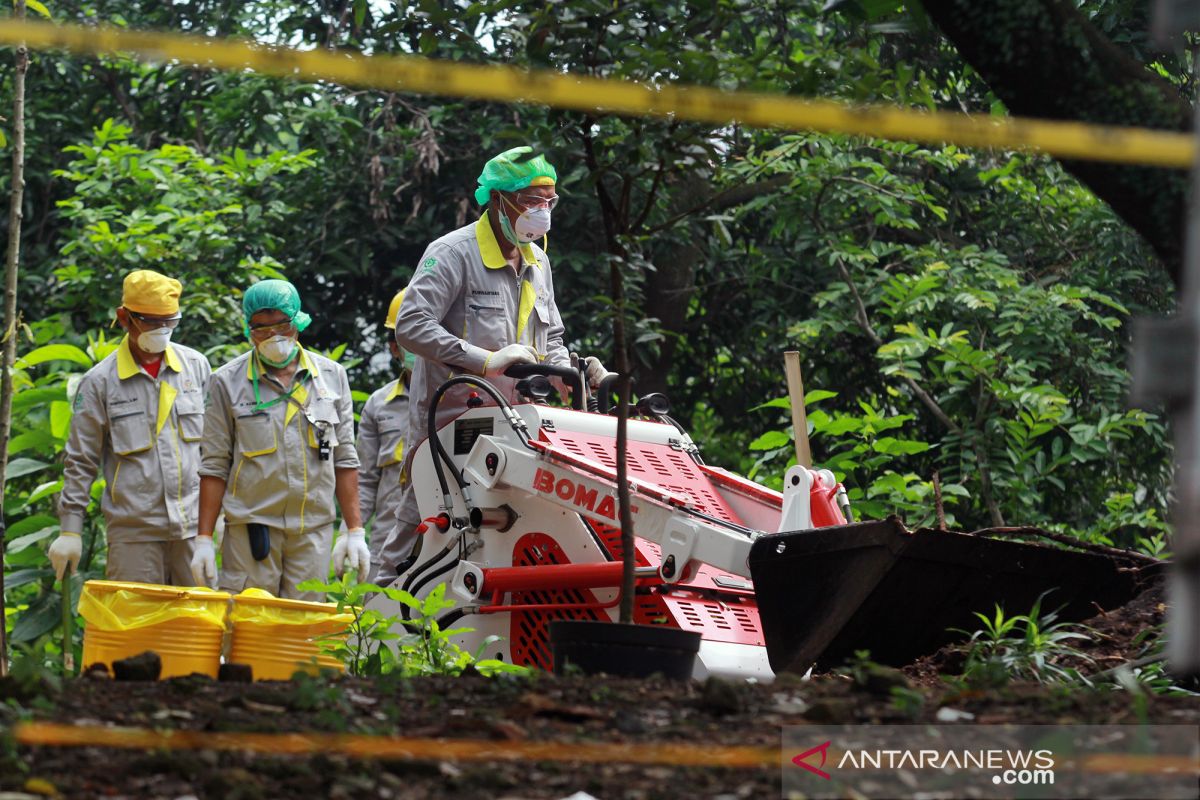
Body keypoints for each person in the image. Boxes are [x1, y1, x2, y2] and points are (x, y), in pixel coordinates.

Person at [388, 146, 606, 584]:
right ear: (498, 200)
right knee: (422, 537)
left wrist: (570, 373)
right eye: (531, 201)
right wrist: (484, 361)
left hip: (516, 431)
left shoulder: (537, 259)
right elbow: (410, 327)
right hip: (450, 429)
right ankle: (378, 630)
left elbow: (552, 338)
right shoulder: (453, 253)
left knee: (497, 541)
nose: (542, 212)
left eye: (549, 201)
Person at [190, 279, 367, 600]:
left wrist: (354, 530)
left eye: (281, 326)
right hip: (252, 531)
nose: (272, 336)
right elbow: (214, 464)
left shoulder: (331, 377)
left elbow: (344, 459)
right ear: (248, 329)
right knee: (249, 629)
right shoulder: (226, 382)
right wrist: (203, 539)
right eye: (261, 329)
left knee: (303, 635)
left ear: (297, 322)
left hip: (312, 532)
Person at [50, 269, 212, 586]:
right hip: (133, 534)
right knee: (137, 628)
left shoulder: (196, 367)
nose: (162, 330)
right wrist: (70, 529)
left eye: (170, 322)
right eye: (152, 322)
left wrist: (215, 523)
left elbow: (216, 450)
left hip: (192, 530)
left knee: (198, 630)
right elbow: (80, 459)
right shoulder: (100, 382)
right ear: (125, 318)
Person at [357, 289, 414, 583]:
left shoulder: (465, 400)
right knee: (380, 621)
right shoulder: (379, 405)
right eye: (409, 339)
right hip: (387, 542)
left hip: (448, 540)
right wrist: (351, 532)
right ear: (394, 347)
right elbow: (365, 479)